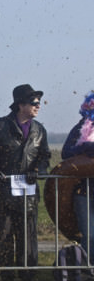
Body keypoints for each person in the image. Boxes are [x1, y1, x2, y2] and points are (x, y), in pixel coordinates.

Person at [0, 84, 51, 281]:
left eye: (39, 102)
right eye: (34, 102)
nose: (38, 106)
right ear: (20, 104)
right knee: (4, 236)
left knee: (28, 237)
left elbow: (45, 156)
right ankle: (4, 277)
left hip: (29, 194)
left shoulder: (40, 130)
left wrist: (38, 171)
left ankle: (28, 277)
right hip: (3, 192)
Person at [62, 91, 94, 265]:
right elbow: (66, 153)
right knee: (89, 234)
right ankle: (88, 270)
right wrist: (84, 149)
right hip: (84, 191)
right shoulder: (81, 128)